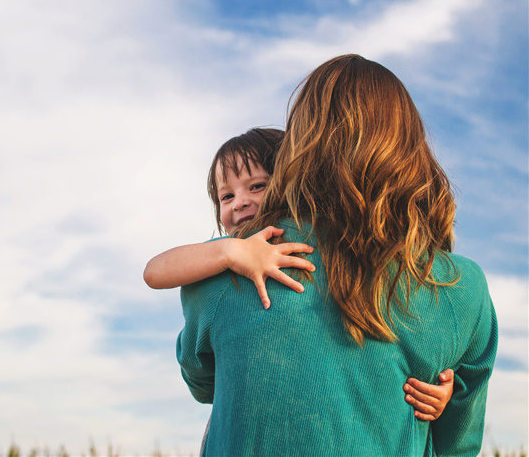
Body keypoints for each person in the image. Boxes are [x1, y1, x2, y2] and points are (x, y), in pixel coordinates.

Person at [175, 55, 497, 456]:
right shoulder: (461, 287)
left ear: (296, 147)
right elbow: (457, 446)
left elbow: (203, 382)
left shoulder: (226, 265)